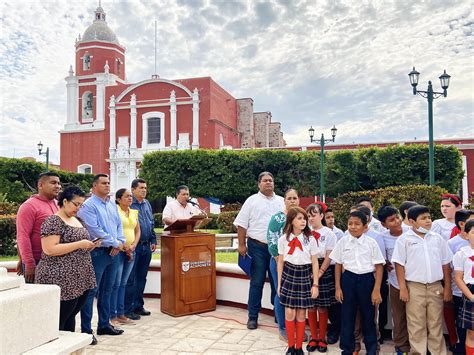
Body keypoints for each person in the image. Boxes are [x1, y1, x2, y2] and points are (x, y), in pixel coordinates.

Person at [35, 186, 97, 332]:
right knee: (59, 319)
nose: (78, 208)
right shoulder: (53, 221)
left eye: (81, 205)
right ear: (65, 201)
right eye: (76, 204)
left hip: (79, 277)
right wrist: (80, 244)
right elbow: (49, 249)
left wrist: (88, 246)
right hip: (60, 277)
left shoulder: (77, 220)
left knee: (71, 317)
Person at [391, 205, 452, 355]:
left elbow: (445, 264)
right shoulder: (404, 240)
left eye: (429, 217)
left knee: (435, 324)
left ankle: (438, 352)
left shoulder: (437, 239)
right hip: (414, 288)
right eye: (423, 218)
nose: (428, 221)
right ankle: (418, 352)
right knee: (416, 324)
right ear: (412, 221)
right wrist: (403, 288)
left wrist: (448, 288)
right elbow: (399, 264)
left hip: (435, 287)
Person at [234, 171, 285, 329]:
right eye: (265, 180)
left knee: (278, 282)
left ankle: (278, 314)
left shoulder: (282, 202)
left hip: (277, 250)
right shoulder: (251, 201)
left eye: (271, 180)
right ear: (259, 184)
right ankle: (252, 316)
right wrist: (242, 245)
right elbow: (241, 224)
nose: (268, 183)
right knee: (257, 283)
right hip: (257, 247)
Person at [78, 174, 126, 341]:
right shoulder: (88, 206)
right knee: (91, 291)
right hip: (97, 254)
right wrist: (115, 243)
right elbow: (94, 229)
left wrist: (120, 242)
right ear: (94, 186)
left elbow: (119, 225)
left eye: (108, 183)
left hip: (113, 253)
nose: (107, 185)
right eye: (104, 183)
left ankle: (104, 325)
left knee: (108, 290)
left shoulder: (111, 205)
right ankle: (86, 331)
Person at [330, 210, 385, 355]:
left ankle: (371, 349)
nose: (353, 227)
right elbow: (338, 264)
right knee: (347, 317)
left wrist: (376, 289)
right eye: (350, 224)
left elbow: (379, 267)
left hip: (367, 281)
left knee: (368, 318)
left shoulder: (371, 243)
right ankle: (347, 349)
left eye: (357, 224)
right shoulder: (343, 241)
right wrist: (338, 288)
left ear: (365, 227)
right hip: (348, 280)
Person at [277, 207, 319, 355]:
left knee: (301, 314)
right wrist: (280, 284)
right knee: (289, 313)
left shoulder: (310, 239)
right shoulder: (283, 239)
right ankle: (290, 346)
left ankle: (298, 347)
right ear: (291, 220)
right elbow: (280, 262)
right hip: (289, 274)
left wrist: (315, 284)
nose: (303, 221)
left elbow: (314, 262)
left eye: (304, 219)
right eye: (299, 218)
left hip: (304, 275)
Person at [267, 188, 300, 341]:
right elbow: (272, 241)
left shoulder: (302, 218)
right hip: (279, 263)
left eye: (295, 198)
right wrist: (279, 261)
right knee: (281, 294)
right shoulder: (278, 219)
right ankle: (283, 328)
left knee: (297, 296)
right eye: (289, 198)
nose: (292, 201)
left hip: (298, 264)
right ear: (284, 201)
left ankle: (296, 327)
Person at [16, 172, 60, 283]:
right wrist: (28, 263)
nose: (58, 186)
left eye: (59, 183)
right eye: (53, 182)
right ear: (40, 185)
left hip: (57, 260)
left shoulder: (57, 204)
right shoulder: (29, 206)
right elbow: (22, 236)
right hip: (37, 262)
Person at [378, 205, 410, 355]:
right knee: (399, 318)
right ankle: (401, 347)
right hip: (396, 284)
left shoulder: (411, 232)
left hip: (414, 282)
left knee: (416, 317)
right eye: (392, 220)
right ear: (384, 224)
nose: (397, 221)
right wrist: (385, 264)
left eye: (398, 217)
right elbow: (381, 259)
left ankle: (419, 346)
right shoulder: (382, 238)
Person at [306, 203, 337, 353]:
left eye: (314, 215)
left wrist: (320, 271)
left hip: (323, 268)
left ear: (321, 216)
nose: (311, 218)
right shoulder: (304, 232)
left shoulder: (329, 233)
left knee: (323, 306)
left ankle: (322, 338)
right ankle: (313, 337)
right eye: (309, 215)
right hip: (308, 268)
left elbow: (329, 255)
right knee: (310, 305)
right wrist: (311, 272)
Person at [124, 178, 157, 320]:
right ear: (133, 189)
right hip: (133, 247)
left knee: (141, 278)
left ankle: (138, 305)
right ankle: (128, 308)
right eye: (141, 188)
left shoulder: (147, 203)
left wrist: (153, 238)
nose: (144, 190)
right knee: (130, 279)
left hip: (146, 246)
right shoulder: (129, 205)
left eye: (145, 187)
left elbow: (151, 222)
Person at [110, 188, 140, 326]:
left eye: (130, 196)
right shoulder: (114, 211)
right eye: (127, 196)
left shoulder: (134, 212)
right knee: (115, 284)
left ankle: (121, 313)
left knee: (123, 283)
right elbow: (113, 229)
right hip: (119, 251)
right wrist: (123, 246)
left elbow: (137, 230)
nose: (130, 198)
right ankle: (112, 314)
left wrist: (133, 245)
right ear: (118, 199)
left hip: (131, 250)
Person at [448, 210, 474, 354]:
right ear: (466, 235)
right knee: (471, 332)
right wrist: (470, 296)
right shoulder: (462, 253)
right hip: (469, 290)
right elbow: (458, 277)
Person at [324, 207, 343, 344]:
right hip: (322, 269)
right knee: (326, 303)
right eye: (328, 217)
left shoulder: (339, 233)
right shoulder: (318, 232)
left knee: (336, 303)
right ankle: (330, 328)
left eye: (332, 217)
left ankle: (337, 330)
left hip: (334, 269)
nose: (331, 219)